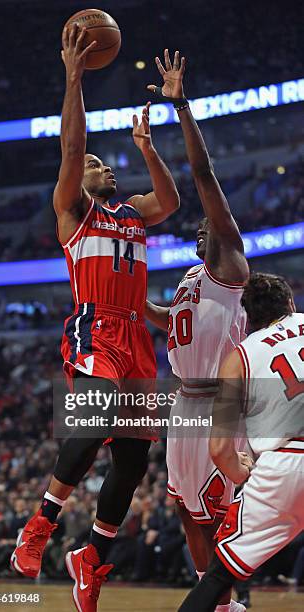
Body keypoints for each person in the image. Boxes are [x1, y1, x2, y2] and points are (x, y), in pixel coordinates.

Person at [11, 26, 179, 612]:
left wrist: (147, 148)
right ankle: (38, 527)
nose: (99, 165)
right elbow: (70, 143)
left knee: (134, 458)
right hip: (96, 326)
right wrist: (75, 79)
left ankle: (92, 558)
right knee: (91, 423)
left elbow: (171, 204)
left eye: (104, 162)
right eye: (93, 163)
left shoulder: (131, 212)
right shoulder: (74, 212)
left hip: (136, 336)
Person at [145, 50, 249, 612]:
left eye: (220, 214)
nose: (214, 215)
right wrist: (127, 297)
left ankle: (228, 596)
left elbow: (203, 175)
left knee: (224, 505)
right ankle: (218, 599)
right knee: (187, 508)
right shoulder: (190, 275)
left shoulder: (231, 263)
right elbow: (169, 321)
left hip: (221, 401)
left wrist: (179, 104)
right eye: (209, 217)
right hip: (183, 401)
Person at [178, 272, 304, 611]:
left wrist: (244, 475)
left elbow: (219, 449)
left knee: (218, 575)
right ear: (290, 304)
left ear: (249, 317)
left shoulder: (239, 356)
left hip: (286, 465)